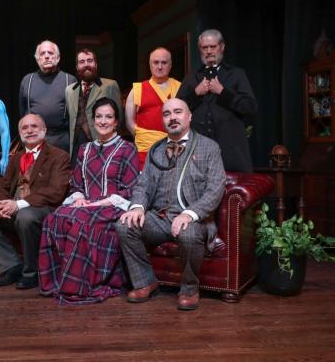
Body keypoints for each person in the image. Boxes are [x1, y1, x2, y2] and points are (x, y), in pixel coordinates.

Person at [115, 98, 226, 311]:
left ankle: (189, 289)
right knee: (124, 226)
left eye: (178, 112)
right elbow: (143, 185)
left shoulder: (209, 147)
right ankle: (145, 282)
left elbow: (216, 187)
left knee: (188, 234)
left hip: (193, 219)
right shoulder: (156, 149)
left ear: (189, 116)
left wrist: (190, 214)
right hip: (160, 218)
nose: (172, 117)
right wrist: (137, 207)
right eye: (167, 114)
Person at [39, 98, 139, 304]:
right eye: (99, 117)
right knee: (54, 219)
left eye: (108, 117)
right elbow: (77, 184)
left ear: (116, 122)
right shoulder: (84, 149)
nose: (103, 121)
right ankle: (57, 282)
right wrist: (79, 198)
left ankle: (78, 285)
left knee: (80, 222)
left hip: (113, 207)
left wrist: (97, 203)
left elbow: (130, 188)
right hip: (86, 205)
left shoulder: (127, 148)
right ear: (93, 120)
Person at [0, 114, 70, 290]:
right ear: (20, 132)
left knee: (25, 216)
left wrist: (18, 204)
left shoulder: (59, 156)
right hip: (14, 208)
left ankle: (31, 272)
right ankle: (11, 266)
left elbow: (56, 191)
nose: (29, 131)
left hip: (40, 209)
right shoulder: (16, 157)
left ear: (44, 130)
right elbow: (3, 185)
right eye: (25, 128)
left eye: (34, 126)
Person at [176, 29, 257, 172]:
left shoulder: (236, 74)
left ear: (222, 47)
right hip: (197, 153)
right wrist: (196, 93)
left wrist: (222, 92)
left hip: (231, 153)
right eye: (204, 47)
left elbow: (250, 107)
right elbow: (177, 111)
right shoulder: (191, 77)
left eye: (212, 47)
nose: (208, 51)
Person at [125, 47, 181, 169]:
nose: (159, 67)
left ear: (170, 65)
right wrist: (147, 137)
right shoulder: (137, 89)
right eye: (156, 62)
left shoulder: (180, 88)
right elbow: (129, 122)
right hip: (145, 151)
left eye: (164, 62)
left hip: (174, 150)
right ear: (150, 65)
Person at [65, 48, 123, 164]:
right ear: (77, 67)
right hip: (76, 149)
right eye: (82, 62)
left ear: (96, 64)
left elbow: (119, 119)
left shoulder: (110, 85)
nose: (86, 64)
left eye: (89, 60)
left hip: (102, 146)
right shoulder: (69, 90)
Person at [19, 40, 77, 152]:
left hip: (62, 141)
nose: (46, 56)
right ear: (37, 59)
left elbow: (76, 116)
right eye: (42, 53)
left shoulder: (70, 80)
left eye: (50, 53)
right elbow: (22, 113)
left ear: (58, 57)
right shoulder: (27, 80)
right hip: (34, 139)